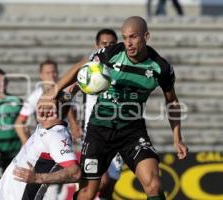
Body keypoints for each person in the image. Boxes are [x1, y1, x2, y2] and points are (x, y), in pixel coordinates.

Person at [38, 16, 188, 200]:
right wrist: (52, 93)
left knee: (154, 185)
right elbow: (80, 67)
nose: (128, 43)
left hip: (132, 132)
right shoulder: (110, 53)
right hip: (99, 130)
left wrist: (177, 138)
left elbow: (171, 101)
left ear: (146, 36)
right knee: (88, 192)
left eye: (133, 37)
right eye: (125, 38)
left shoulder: (161, 68)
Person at [0, 88, 81, 200]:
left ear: (51, 110)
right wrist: (77, 85)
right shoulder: (43, 128)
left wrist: (38, 178)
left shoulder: (56, 136)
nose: (38, 102)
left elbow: (76, 173)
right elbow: (65, 97)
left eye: (42, 102)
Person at [14, 59, 82, 199]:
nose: (51, 75)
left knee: (51, 191)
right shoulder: (36, 96)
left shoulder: (63, 94)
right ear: (41, 75)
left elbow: (68, 104)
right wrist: (27, 145)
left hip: (52, 143)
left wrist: (74, 125)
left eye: (54, 72)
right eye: (47, 72)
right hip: (40, 141)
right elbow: (20, 123)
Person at [84, 28, 123, 200]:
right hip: (95, 131)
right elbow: (72, 94)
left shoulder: (123, 69)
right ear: (97, 46)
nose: (108, 47)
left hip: (119, 131)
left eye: (112, 44)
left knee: (110, 184)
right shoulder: (90, 69)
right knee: (99, 180)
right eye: (104, 44)